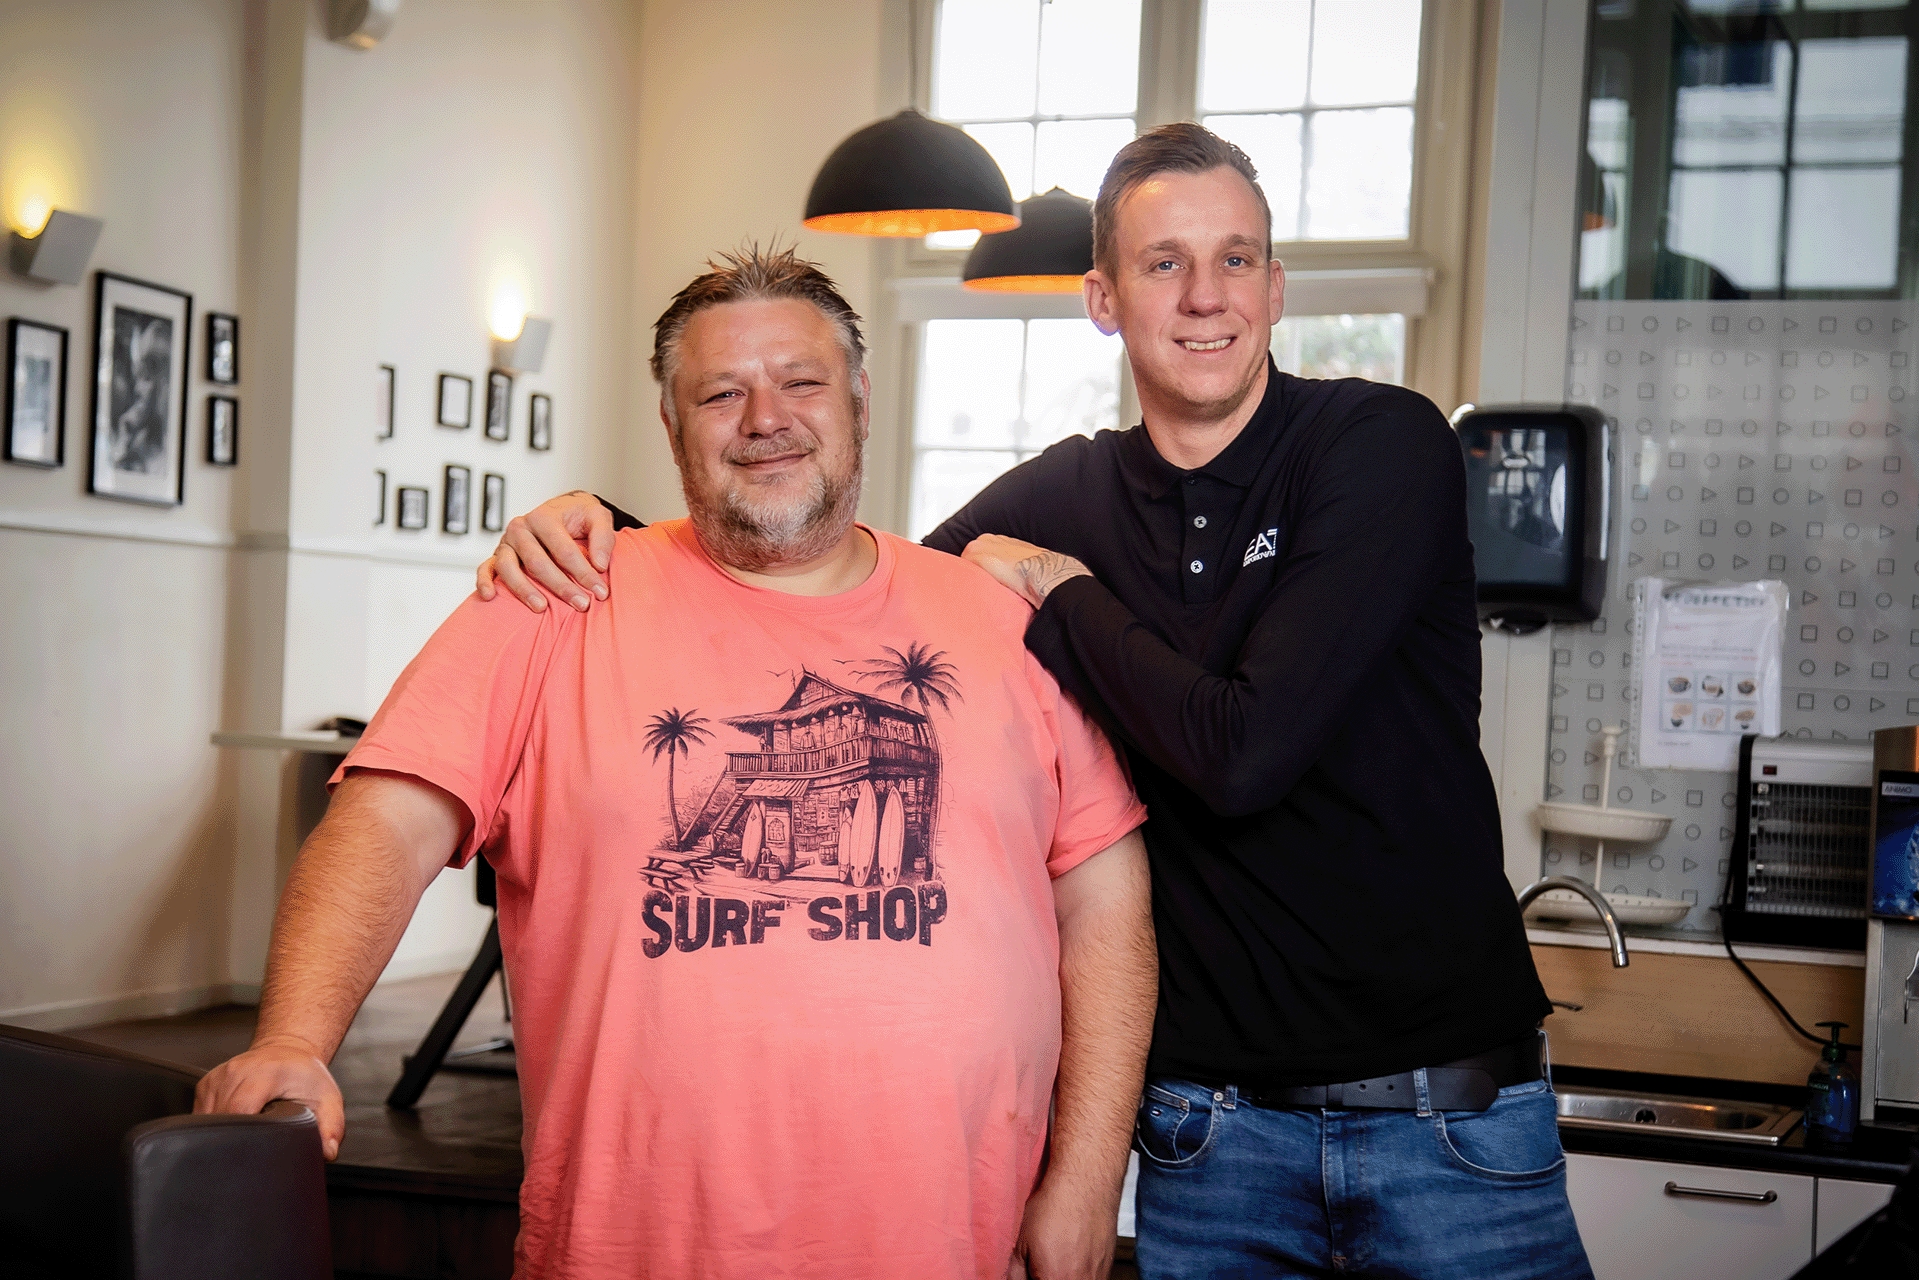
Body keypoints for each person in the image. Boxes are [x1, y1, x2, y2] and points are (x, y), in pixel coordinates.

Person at [487, 125, 1592, 1279]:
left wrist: (1062, 590)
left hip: (1446, 1124)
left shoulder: (1375, 442)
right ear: (1102, 299)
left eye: (1234, 258)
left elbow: (1243, 750)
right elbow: (834, 598)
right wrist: (604, 533)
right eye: (1162, 262)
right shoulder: (1067, 487)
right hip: (1207, 1140)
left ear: (1274, 288)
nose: (1204, 295)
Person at [196, 247, 1156, 1280]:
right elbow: (387, 819)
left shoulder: (1003, 620)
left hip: (951, 1241)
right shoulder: (555, 597)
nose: (765, 419)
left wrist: (1087, 1175)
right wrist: (294, 1036)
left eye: (801, 381)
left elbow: (1103, 900)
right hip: (635, 1246)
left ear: (859, 402)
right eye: (720, 393)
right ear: (669, 423)